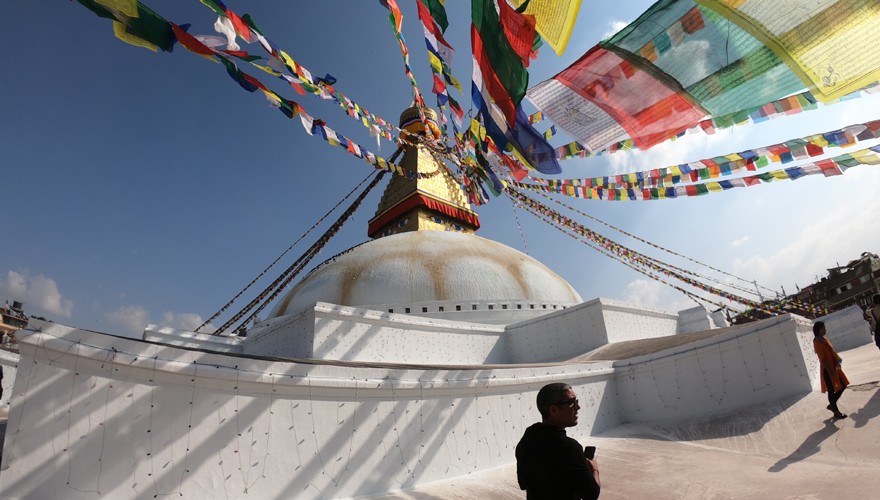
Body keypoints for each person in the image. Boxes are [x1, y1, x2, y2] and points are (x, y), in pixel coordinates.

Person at [516, 383, 600, 499]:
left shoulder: (525, 442)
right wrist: (594, 469)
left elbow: (523, 484)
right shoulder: (570, 448)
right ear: (554, 410)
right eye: (572, 402)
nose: (578, 407)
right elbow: (591, 494)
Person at [813, 321, 849, 419]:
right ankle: (836, 411)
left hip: (834, 367)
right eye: (823, 328)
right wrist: (830, 371)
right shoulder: (817, 342)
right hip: (827, 370)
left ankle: (832, 405)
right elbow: (822, 359)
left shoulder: (823, 339)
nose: (825, 329)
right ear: (819, 330)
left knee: (843, 385)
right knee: (832, 390)